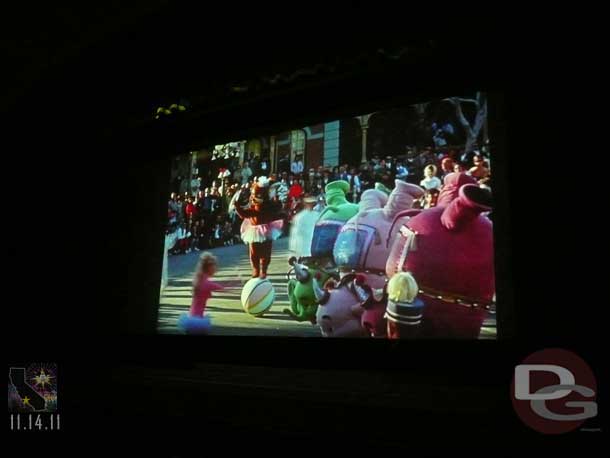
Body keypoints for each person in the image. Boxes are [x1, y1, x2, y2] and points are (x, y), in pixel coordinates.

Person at [234, 177, 283, 278]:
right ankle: (256, 269)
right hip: (254, 231)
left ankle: (264, 269)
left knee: (266, 251)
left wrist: (277, 199)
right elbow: (244, 214)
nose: (255, 197)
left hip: (266, 230)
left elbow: (277, 209)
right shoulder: (253, 207)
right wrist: (237, 205)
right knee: (253, 252)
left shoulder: (269, 205)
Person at [177, 252, 224, 334]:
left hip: (192, 317)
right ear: (209, 267)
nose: (216, 268)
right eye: (214, 266)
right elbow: (221, 288)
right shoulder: (206, 283)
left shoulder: (199, 279)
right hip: (197, 321)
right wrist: (234, 285)